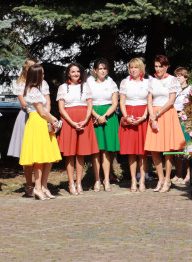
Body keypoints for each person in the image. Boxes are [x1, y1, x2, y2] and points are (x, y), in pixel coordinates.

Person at [7, 59, 52, 197]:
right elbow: (25, 104)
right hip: (28, 117)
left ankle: (42, 186)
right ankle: (29, 184)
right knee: (27, 152)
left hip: (42, 117)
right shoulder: (23, 84)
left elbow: (47, 101)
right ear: (28, 69)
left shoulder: (43, 83)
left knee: (43, 152)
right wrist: (42, 113)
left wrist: (47, 117)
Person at [18, 64, 62, 199]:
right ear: (37, 76)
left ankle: (42, 186)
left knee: (46, 156)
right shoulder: (33, 91)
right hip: (37, 122)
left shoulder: (34, 90)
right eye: (42, 74)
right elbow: (42, 112)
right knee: (39, 157)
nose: (44, 76)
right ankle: (37, 187)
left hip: (40, 123)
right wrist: (55, 121)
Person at [143, 55, 184, 193]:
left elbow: (171, 100)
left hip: (166, 114)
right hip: (154, 114)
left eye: (161, 66)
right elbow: (149, 100)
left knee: (167, 149)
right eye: (156, 66)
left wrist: (158, 113)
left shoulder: (172, 80)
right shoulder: (152, 81)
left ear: (166, 66)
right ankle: (160, 178)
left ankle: (167, 179)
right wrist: (152, 116)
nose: (158, 69)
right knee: (154, 148)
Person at [56, 63, 98, 195]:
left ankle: (79, 183)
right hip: (69, 121)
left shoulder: (85, 86)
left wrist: (86, 120)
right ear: (68, 73)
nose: (76, 74)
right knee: (69, 154)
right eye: (73, 71)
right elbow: (61, 108)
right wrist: (72, 122)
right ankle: (71, 183)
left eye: (78, 71)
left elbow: (89, 105)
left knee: (81, 153)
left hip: (84, 120)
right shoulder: (63, 87)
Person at [87, 59, 120, 191]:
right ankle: (97, 180)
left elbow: (114, 103)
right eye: (100, 68)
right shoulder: (89, 83)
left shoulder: (111, 82)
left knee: (106, 150)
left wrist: (104, 116)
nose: (103, 71)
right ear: (95, 70)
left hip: (108, 116)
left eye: (105, 68)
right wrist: (96, 116)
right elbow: (87, 102)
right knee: (96, 150)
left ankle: (106, 179)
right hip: (93, 114)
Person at [119, 57, 151, 192]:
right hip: (129, 115)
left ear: (141, 68)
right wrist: (126, 117)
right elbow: (122, 101)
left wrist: (143, 117)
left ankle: (142, 180)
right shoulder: (125, 82)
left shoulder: (148, 82)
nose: (133, 70)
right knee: (131, 152)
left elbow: (149, 101)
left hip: (143, 116)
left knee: (143, 152)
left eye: (136, 67)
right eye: (131, 67)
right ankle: (133, 180)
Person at [170, 67, 192, 185]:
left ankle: (188, 174)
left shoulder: (190, 89)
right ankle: (178, 173)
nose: (178, 77)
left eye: (180, 75)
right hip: (174, 119)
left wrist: (185, 112)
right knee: (176, 148)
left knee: (186, 147)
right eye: (176, 75)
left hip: (185, 121)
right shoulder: (175, 89)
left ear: (186, 77)